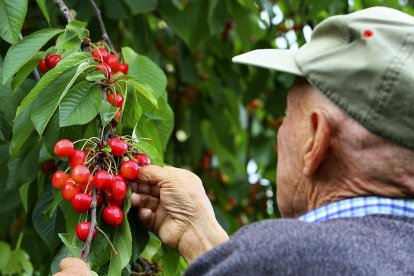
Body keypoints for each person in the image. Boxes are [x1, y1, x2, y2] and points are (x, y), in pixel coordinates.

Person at [56, 6, 414, 275]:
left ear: (316, 139)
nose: (280, 132)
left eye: (288, 116)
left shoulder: (285, 256)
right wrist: (202, 237)